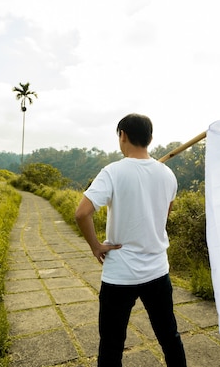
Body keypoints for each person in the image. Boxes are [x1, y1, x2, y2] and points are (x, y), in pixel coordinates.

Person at [75, 113, 187, 367]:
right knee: (169, 337)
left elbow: (82, 213)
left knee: (112, 345)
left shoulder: (113, 171)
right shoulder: (167, 175)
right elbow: (162, 217)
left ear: (122, 135)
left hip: (120, 274)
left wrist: (96, 246)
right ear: (149, 138)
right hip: (158, 271)